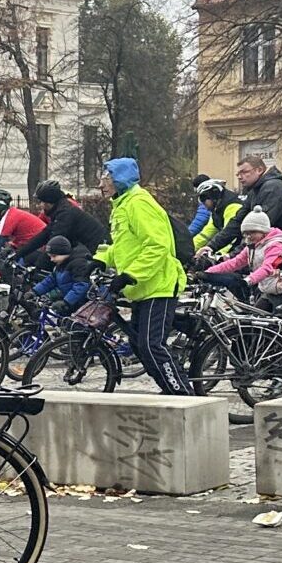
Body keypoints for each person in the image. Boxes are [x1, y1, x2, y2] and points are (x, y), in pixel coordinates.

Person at [94, 157, 191, 395]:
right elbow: (124, 245)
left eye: (105, 178)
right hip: (142, 287)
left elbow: (158, 245)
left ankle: (182, 393)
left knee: (150, 345)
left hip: (158, 284)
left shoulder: (139, 203)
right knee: (139, 345)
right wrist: (100, 259)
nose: (100, 184)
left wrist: (130, 274)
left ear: (120, 179)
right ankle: (168, 388)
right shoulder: (123, 204)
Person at [204, 210, 282, 297]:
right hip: (269, 290)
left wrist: (248, 281)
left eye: (252, 232)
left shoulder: (276, 245)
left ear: (264, 231)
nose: (248, 236)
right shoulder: (252, 245)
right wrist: (208, 272)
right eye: (246, 233)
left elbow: (268, 268)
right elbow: (235, 262)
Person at [11, 181, 106, 262]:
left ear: (49, 201)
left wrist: (40, 263)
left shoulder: (65, 213)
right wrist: (19, 254)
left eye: (42, 202)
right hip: (87, 248)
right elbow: (44, 235)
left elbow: (55, 242)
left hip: (95, 249)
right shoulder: (60, 210)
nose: (40, 205)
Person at [234, 155, 282, 250]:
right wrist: (212, 247)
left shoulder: (272, 188)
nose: (239, 177)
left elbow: (258, 227)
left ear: (259, 170)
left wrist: (233, 255)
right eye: (238, 174)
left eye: (244, 172)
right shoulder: (254, 191)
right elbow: (237, 222)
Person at [0, 188, 47, 268]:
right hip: (32, 249)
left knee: (9, 271)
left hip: (38, 251)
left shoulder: (10, 217)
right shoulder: (9, 214)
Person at [32, 237, 93, 311]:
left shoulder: (79, 264)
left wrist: (66, 302)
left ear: (63, 252)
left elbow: (81, 285)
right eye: (50, 256)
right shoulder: (61, 263)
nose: (52, 259)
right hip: (68, 300)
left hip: (80, 305)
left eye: (54, 256)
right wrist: (35, 291)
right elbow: (51, 280)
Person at [189, 178, 245, 259]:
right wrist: (189, 248)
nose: (202, 204)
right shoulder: (217, 210)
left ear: (213, 196)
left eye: (203, 199)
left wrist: (218, 256)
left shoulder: (232, 207)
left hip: (239, 251)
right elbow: (205, 234)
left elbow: (230, 237)